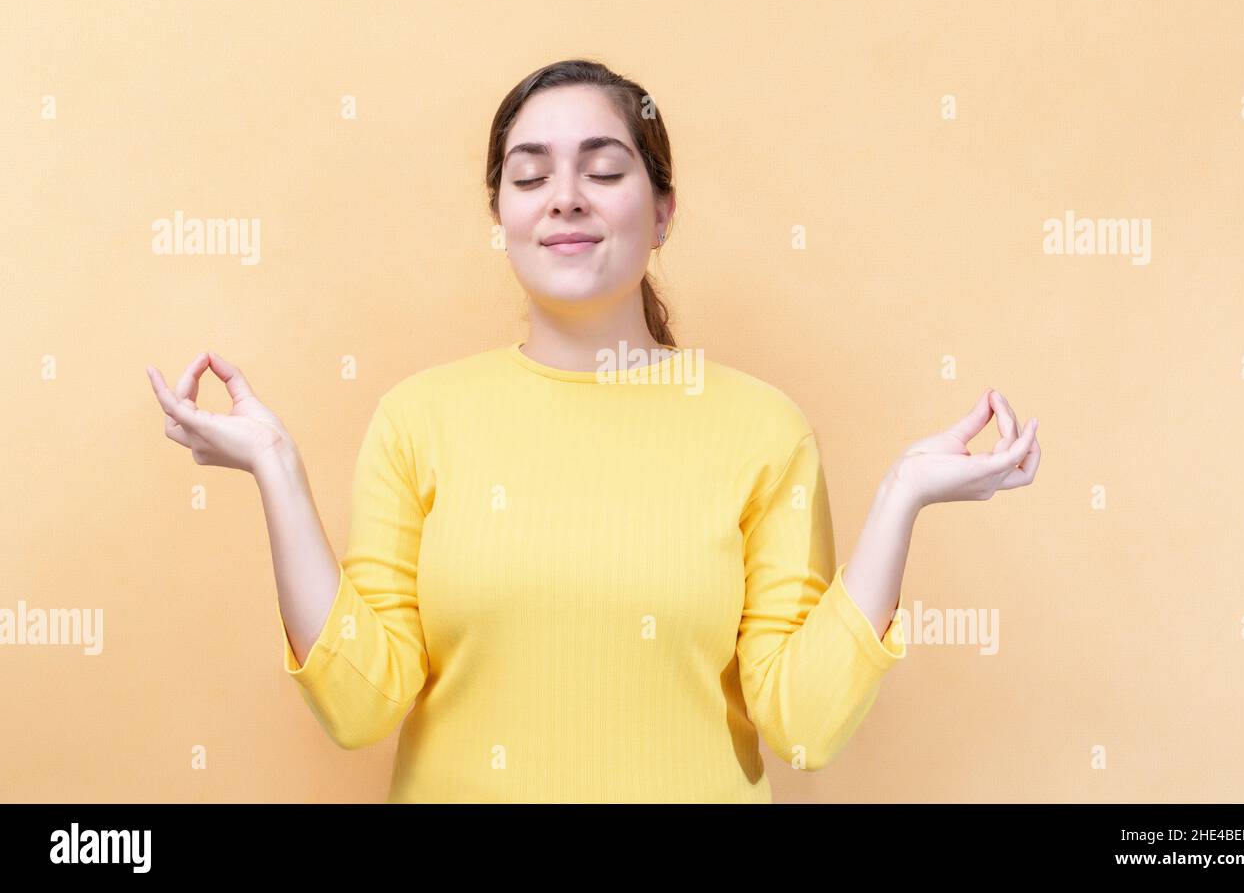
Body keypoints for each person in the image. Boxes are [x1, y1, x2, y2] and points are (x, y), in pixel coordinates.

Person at [145, 58, 1041, 802]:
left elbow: (803, 727)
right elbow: (357, 704)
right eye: (529, 176)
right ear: (502, 216)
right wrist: (275, 469)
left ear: (662, 213)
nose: (564, 198)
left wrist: (901, 499)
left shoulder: (763, 431)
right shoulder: (419, 419)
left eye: (604, 171)